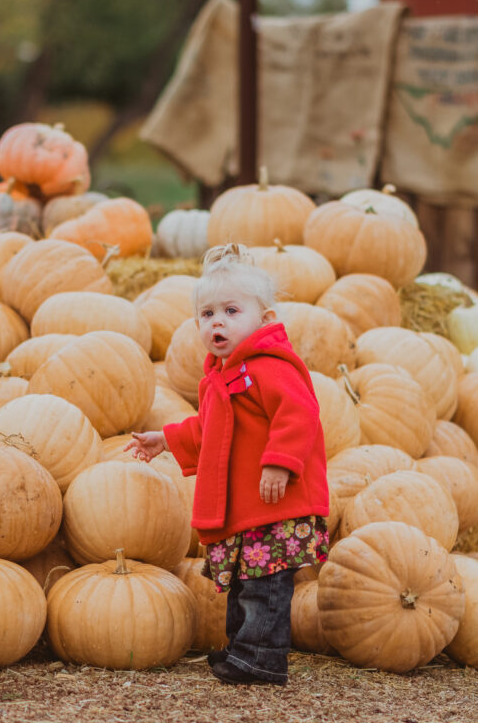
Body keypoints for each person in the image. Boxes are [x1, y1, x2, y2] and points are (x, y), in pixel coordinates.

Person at [124, 243, 329, 687]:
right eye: (207, 313)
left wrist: (280, 463)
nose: (217, 321)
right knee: (244, 583)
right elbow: (213, 431)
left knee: (266, 588)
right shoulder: (221, 374)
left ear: (265, 319)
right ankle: (242, 650)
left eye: (232, 310)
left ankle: (261, 658)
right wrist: (167, 439)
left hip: (277, 504)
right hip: (250, 508)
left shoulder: (269, 366)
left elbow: (299, 414)